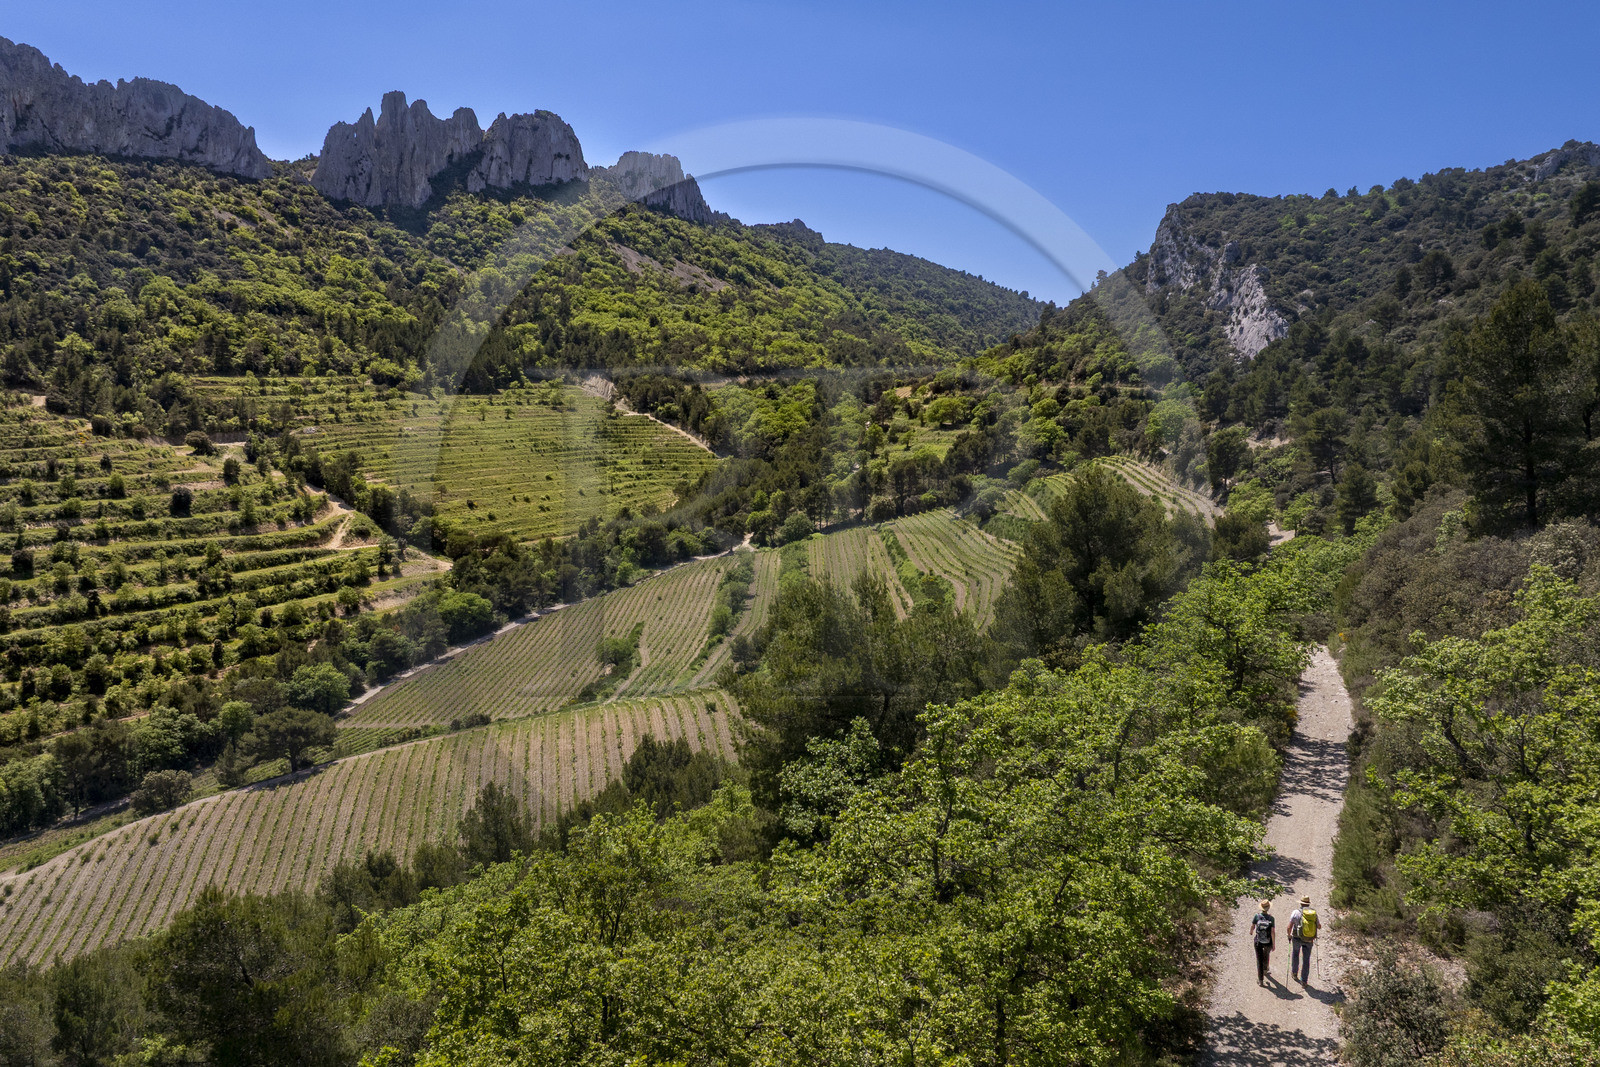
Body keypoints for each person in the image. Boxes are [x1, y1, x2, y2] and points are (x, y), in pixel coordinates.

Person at [1288, 894, 1318, 984]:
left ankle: (1294, 973)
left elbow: (1289, 927)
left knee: (1295, 954)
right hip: (1309, 939)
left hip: (1297, 938)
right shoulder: (1313, 913)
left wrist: (1289, 935)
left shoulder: (1295, 912)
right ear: (1308, 904)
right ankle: (1304, 980)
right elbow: (1319, 926)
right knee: (1306, 959)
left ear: (1301, 903)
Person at [1250, 899, 1275, 986]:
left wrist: (1251, 932)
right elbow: (1272, 932)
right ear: (1268, 908)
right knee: (1266, 954)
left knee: (1259, 959)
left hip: (1258, 941)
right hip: (1268, 941)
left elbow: (1253, 926)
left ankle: (1260, 980)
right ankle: (1265, 969)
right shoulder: (1271, 918)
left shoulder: (1257, 916)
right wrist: (1274, 944)